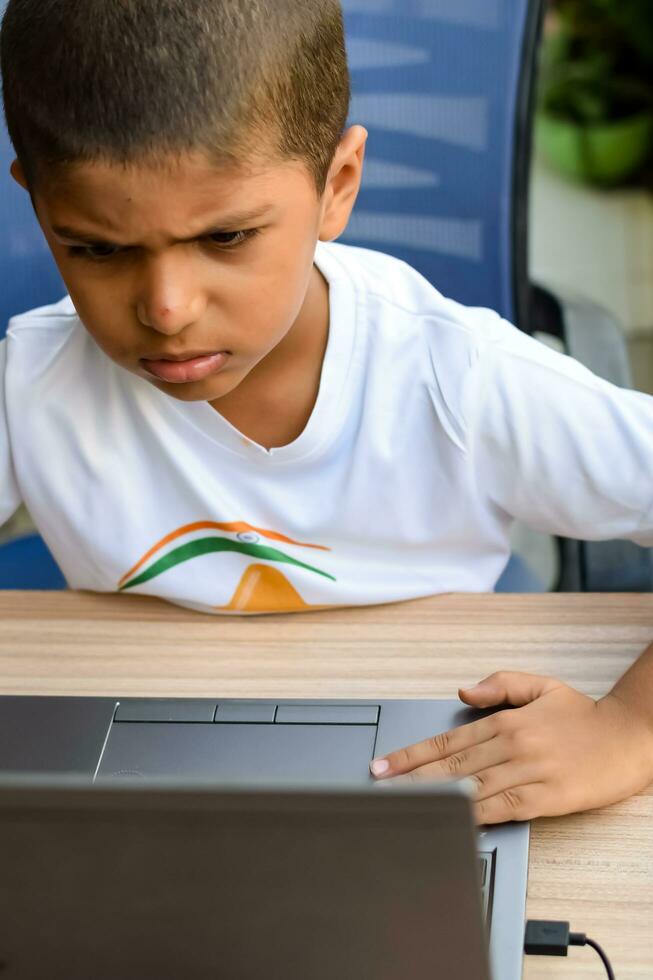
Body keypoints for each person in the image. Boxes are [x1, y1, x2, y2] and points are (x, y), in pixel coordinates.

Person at [0, 0, 651, 825]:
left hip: (424, 757)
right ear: (38, 205)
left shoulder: (457, 377)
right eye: (97, 248)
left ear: (336, 187)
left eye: (227, 237)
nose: (165, 309)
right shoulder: (32, 379)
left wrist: (628, 729)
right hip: (143, 764)